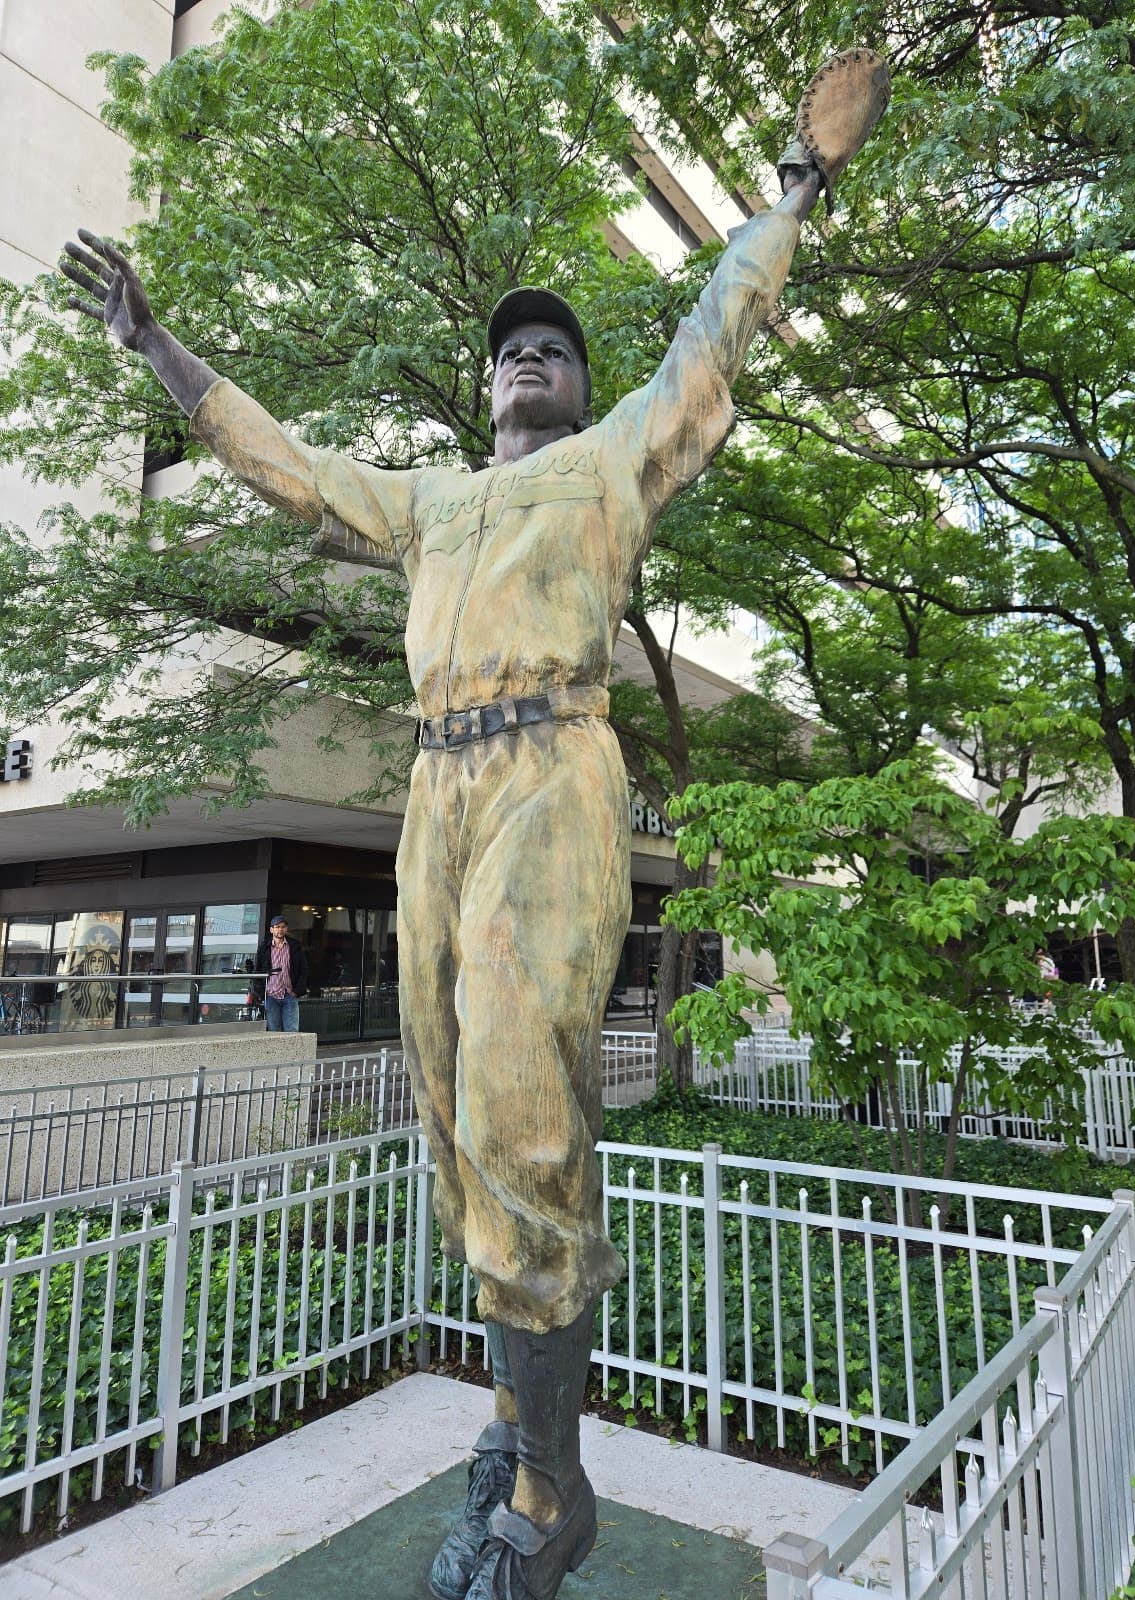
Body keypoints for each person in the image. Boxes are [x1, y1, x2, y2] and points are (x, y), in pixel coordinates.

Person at [59, 48, 889, 1600]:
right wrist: (162, 348)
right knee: (456, 1118)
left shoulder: (608, 462)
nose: (524, 359)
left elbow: (716, 335)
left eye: (549, 348)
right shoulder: (434, 503)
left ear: (580, 385)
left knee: (517, 1083)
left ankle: (553, 1492)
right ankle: (520, 1424)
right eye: (507, 348)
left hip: (551, 773)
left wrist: (800, 182)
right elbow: (295, 476)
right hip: (434, 790)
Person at [250, 915, 308, 1033]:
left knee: (292, 1031)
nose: (280, 930)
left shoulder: (294, 946)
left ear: (286, 929)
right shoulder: (264, 947)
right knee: (274, 1031)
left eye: (283, 927)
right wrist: (262, 993)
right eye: (277, 927)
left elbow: (304, 969)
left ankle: (292, 1052)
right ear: (271, 929)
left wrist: (297, 991)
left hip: (289, 994)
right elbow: (257, 972)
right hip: (271, 995)